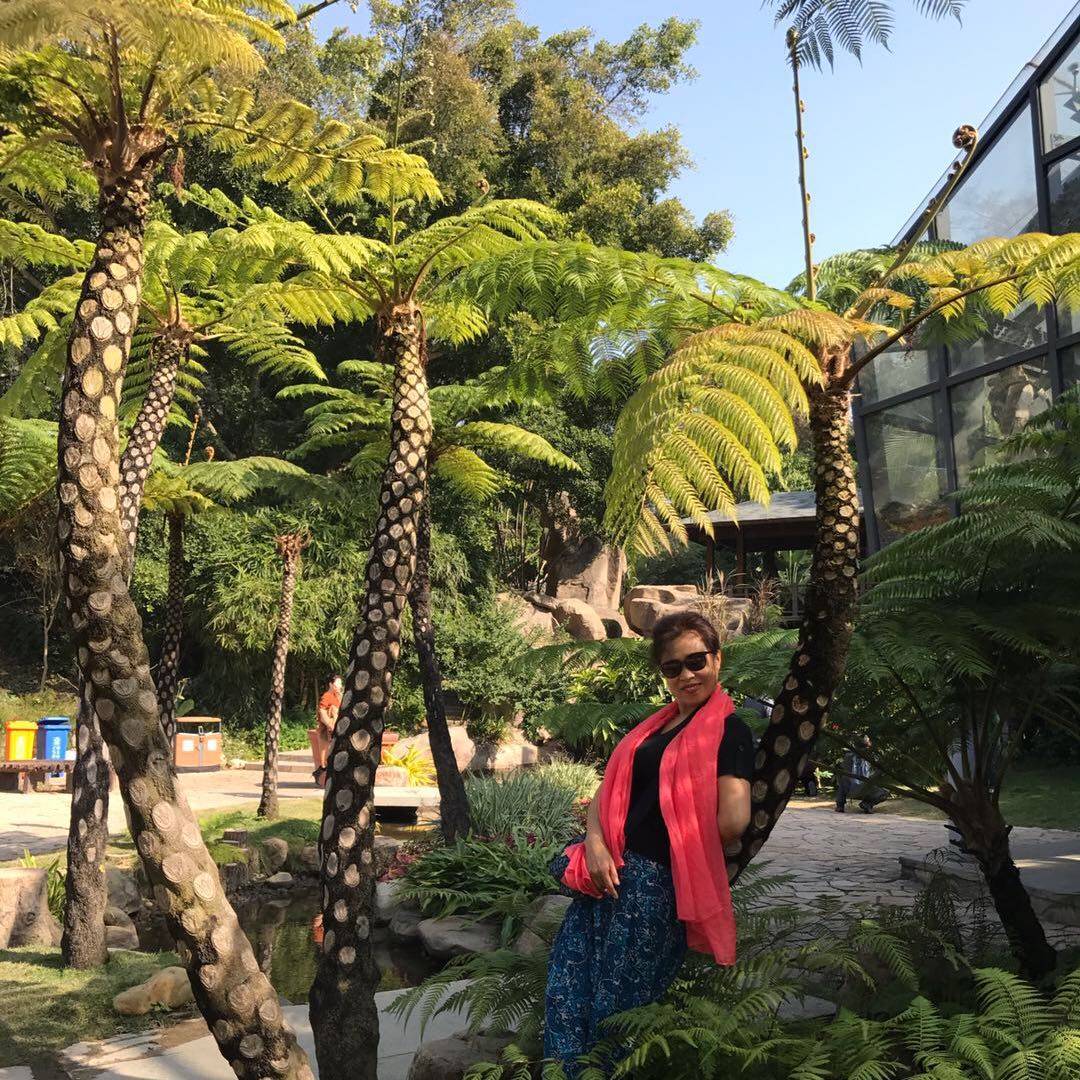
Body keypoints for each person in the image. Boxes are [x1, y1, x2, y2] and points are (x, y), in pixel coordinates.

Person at [544, 611, 753, 1075]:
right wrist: (596, 844)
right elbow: (604, 795)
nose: (687, 675)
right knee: (567, 993)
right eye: (673, 667)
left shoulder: (729, 731)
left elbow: (734, 821)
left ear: (717, 659)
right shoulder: (653, 728)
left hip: (652, 890)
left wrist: (680, 834)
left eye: (696, 661)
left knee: (618, 1012)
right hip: (604, 875)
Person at [835, 735, 885, 813]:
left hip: (857, 788)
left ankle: (841, 805)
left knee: (843, 781)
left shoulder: (851, 756)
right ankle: (866, 804)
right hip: (856, 788)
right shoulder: (852, 757)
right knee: (844, 780)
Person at [312, 674, 343, 786]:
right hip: (328, 729)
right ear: (331, 684)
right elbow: (322, 711)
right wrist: (330, 724)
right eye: (338, 684)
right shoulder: (327, 696)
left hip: (335, 728)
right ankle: (323, 774)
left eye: (340, 684)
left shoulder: (338, 696)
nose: (340, 686)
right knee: (327, 755)